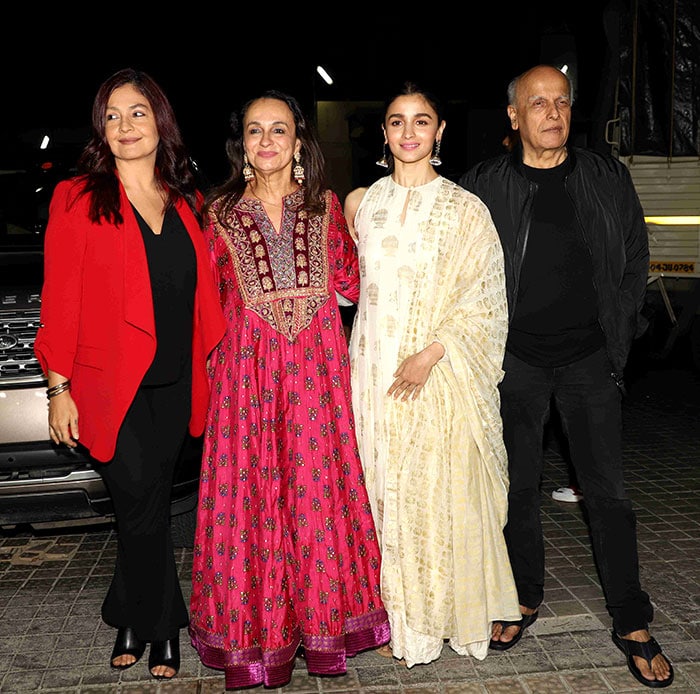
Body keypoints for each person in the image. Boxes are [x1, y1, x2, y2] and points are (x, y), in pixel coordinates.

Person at [459, 65, 673, 688]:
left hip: (588, 362)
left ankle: (631, 620)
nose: (553, 113)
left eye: (561, 102)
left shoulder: (606, 176)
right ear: (514, 115)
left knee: (608, 495)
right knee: (516, 491)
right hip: (514, 362)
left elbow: (635, 257)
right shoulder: (485, 186)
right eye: (538, 103)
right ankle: (523, 596)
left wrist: (619, 337)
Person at [187, 90, 390, 690]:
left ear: (299, 142)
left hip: (315, 386)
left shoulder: (325, 209)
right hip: (244, 386)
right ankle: (258, 643)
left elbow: (358, 283)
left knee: (315, 500)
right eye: (256, 131)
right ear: (242, 145)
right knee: (250, 506)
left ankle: (328, 631)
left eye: (280, 130)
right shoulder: (218, 214)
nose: (268, 141)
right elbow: (198, 303)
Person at [33, 68, 226, 680]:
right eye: (112, 116)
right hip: (108, 388)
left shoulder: (186, 201)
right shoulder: (79, 197)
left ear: (159, 120)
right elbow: (59, 298)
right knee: (140, 504)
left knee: (140, 508)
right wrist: (58, 386)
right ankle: (165, 627)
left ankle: (125, 611)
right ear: (101, 129)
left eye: (137, 112)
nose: (125, 126)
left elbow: (204, 295)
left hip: (173, 383)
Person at [344, 81, 520, 668]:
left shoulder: (464, 209)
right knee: (377, 491)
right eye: (397, 121)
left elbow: (487, 301)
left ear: (440, 132)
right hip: (369, 372)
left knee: (434, 494)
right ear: (385, 132)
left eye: (422, 121)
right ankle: (388, 616)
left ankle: (438, 617)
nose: (409, 132)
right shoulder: (359, 204)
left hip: (437, 375)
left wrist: (433, 353)